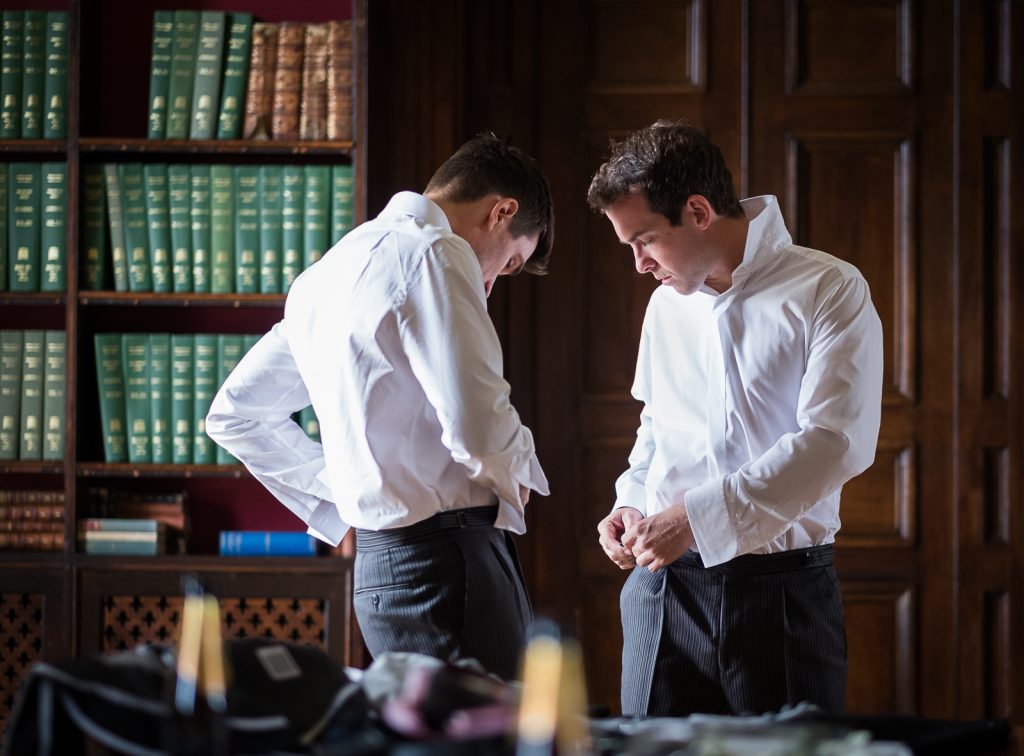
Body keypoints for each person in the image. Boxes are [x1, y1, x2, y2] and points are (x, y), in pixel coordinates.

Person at [207, 133, 554, 680]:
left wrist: (346, 494)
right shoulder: (438, 252)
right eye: (509, 262)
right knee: (497, 738)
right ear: (501, 212)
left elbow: (236, 413)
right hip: (452, 561)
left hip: (378, 570)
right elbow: (475, 424)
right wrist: (519, 472)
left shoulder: (324, 275)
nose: (492, 282)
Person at [588, 120, 883, 717]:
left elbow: (835, 441)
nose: (639, 264)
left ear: (697, 211)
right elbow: (656, 429)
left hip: (781, 598)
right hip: (661, 595)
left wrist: (694, 520)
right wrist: (632, 502)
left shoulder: (829, 288)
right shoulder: (664, 306)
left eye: (644, 240)